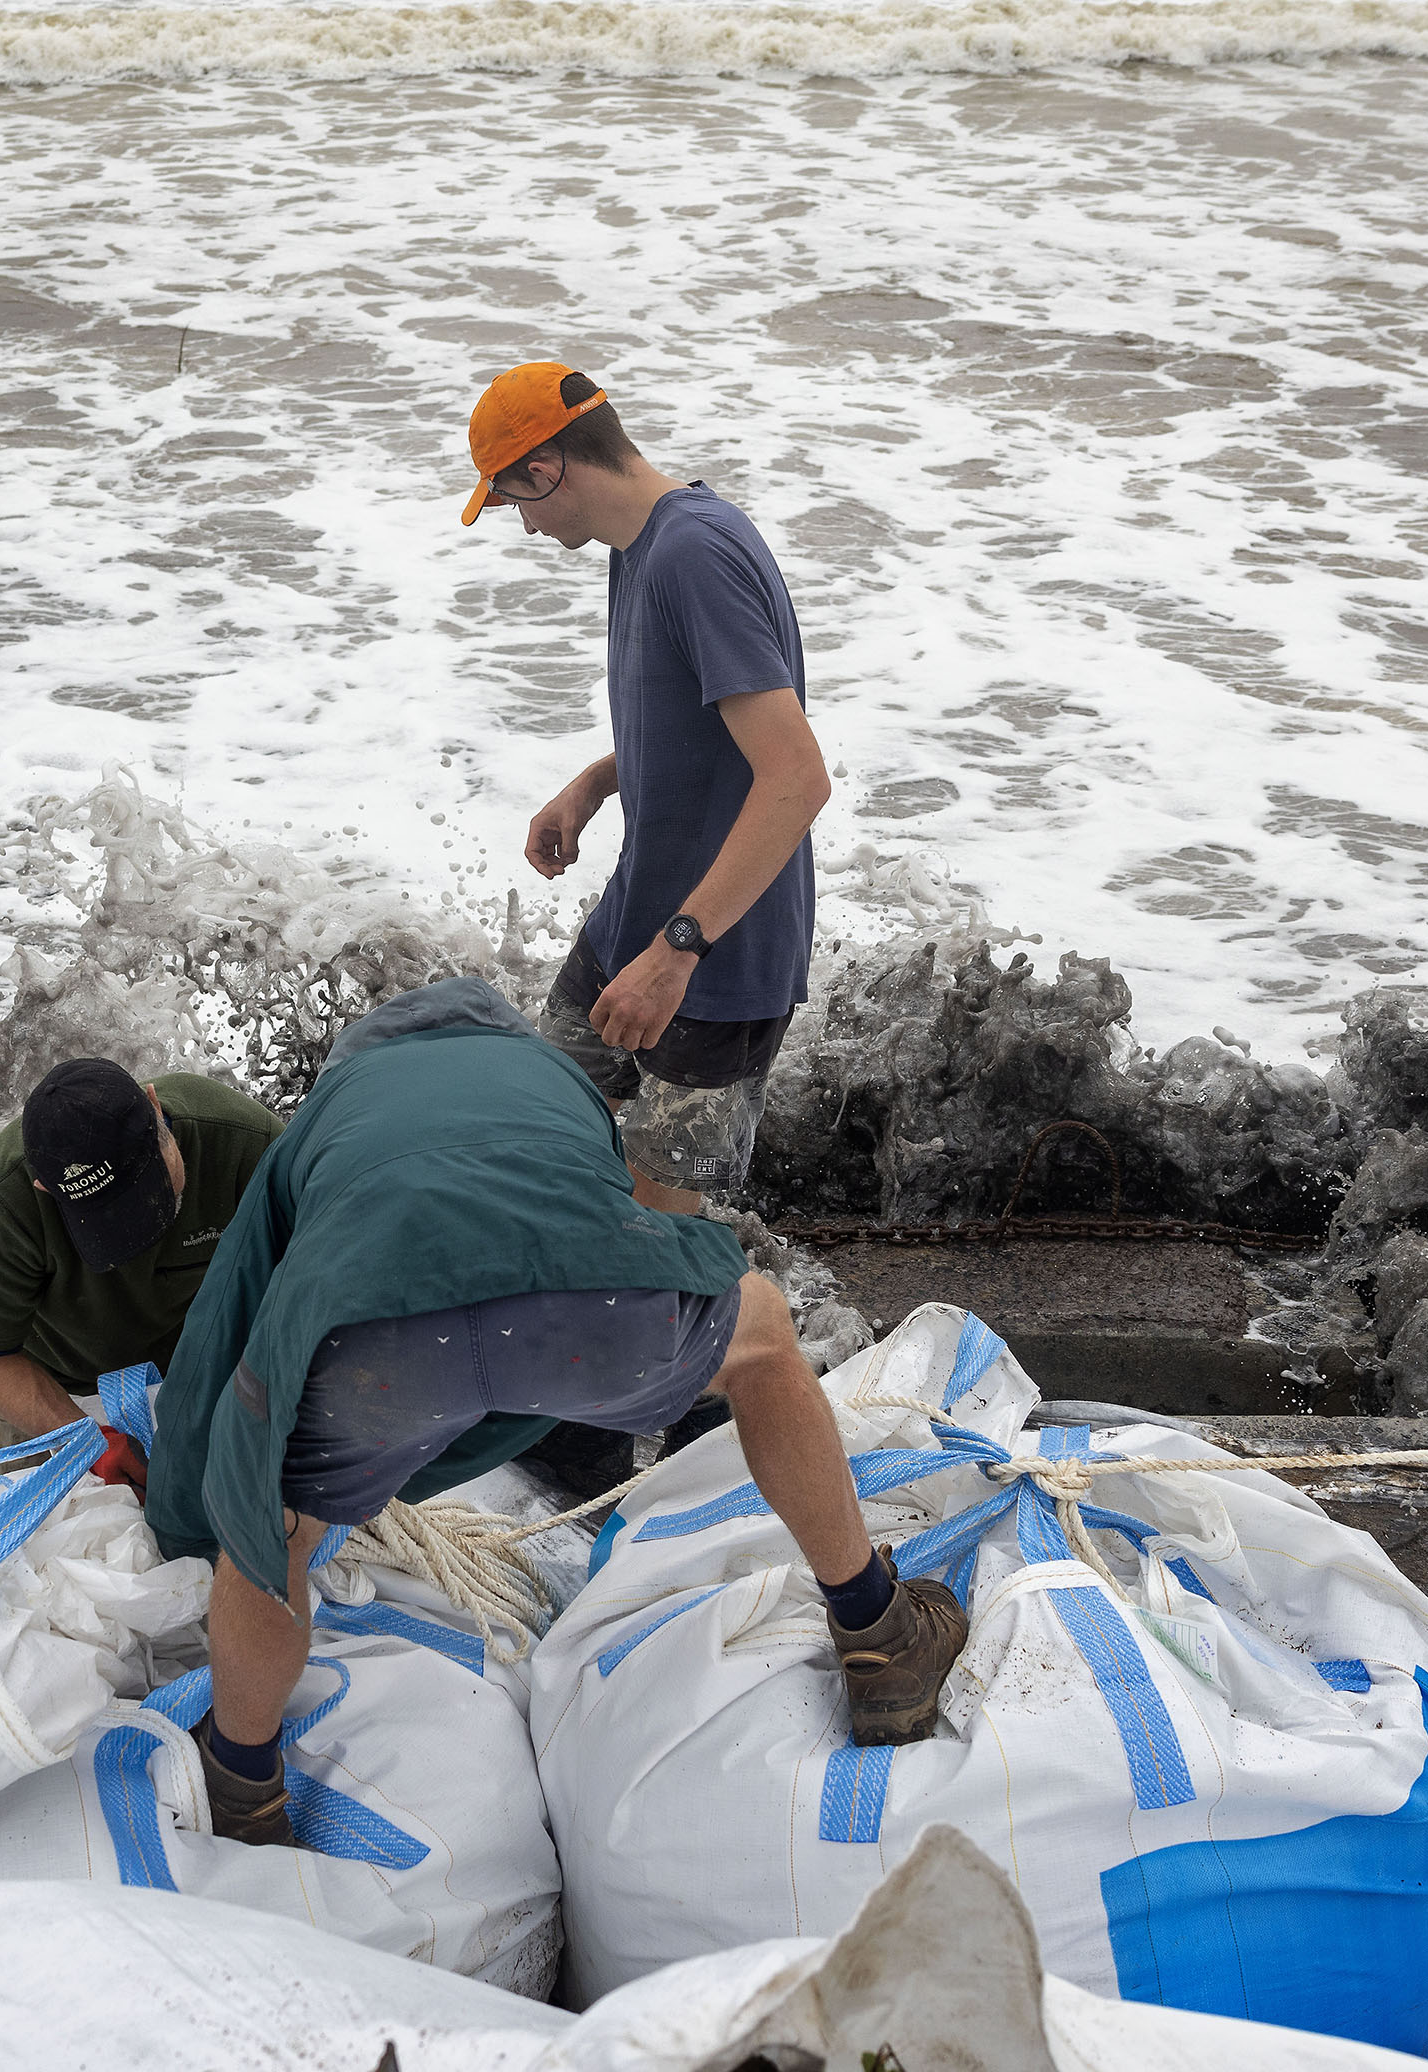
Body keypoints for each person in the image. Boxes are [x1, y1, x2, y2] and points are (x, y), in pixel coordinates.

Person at [144, 980, 969, 1846]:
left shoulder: (325, 1112)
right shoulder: (551, 1072)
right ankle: (880, 1634)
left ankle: (242, 1785)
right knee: (761, 1336)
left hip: (374, 1354)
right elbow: (564, 1250)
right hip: (589, 1317)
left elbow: (222, 1327)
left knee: (276, 1541)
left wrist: (194, 1518)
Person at [465, 364, 829, 1218]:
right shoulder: (644, 546)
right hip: (639, 914)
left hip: (718, 952)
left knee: (655, 1238)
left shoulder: (692, 555)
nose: (522, 525)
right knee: (534, 1136)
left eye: (515, 498)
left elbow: (797, 778)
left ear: (548, 466)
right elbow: (703, 720)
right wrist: (595, 782)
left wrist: (677, 954)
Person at [0, 1059, 282, 1487]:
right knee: (43, 1545)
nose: (141, 1228)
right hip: (59, 1387)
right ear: (45, 1188)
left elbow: (315, 1278)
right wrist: (86, 1441)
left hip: (206, 1369)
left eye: (146, 1189)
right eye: (108, 1219)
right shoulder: (1, 1200)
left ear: (155, 1109)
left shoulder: (247, 1143)